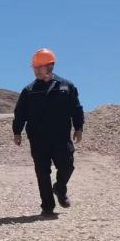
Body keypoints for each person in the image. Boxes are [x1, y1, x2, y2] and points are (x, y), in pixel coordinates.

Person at [12, 48, 84, 216]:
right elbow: (20, 113)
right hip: (38, 139)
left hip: (61, 137)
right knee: (42, 172)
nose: (36, 70)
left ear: (50, 66)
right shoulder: (29, 90)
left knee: (67, 166)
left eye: (40, 67)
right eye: (35, 67)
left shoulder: (66, 86)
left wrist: (79, 127)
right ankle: (47, 206)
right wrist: (17, 131)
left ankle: (59, 188)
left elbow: (76, 108)